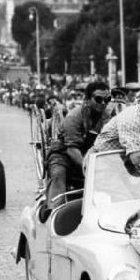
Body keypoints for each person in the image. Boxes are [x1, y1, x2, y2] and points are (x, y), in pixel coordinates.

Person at [44, 82, 112, 213]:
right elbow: (72, 150)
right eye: (98, 99)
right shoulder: (74, 117)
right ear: (87, 99)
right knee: (58, 173)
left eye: (107, 99)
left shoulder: (108, 117)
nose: (103, 103)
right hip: (64, 154)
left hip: (90, 155)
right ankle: (53, 210)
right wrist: (89, 169)